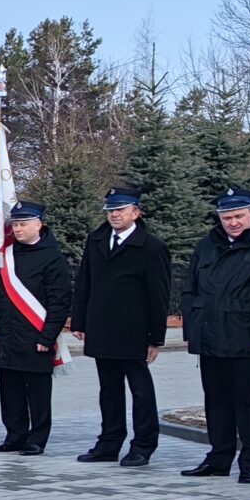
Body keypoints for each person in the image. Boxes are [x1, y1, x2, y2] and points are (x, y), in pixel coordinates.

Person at [178, 187, 250, 482]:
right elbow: (190, 289)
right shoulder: (207, 246)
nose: (233, 222)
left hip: (246, 339)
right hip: (210, 338)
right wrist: (193, 328)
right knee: (216, 402)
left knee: (247, 403)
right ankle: (219, 459)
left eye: (238, 216)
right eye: (227, 217)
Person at [71, 187, 171, 466]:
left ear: (136, 213)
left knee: (140, 390)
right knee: (109, 390)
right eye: (110, 210)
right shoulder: (97, 240)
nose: (114, 215)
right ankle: (109, 443)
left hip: (133, 329)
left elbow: (159, 295)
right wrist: (79, 320)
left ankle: (143, 445)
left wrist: (155, 337)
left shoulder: (151, 247)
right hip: (102, 326)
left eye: (120, 210)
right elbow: (85, 281)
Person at [0, 201, 72, 456]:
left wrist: (47, 336)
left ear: (38, 224)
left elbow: (59, 301)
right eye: (15, 224)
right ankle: (14, 435)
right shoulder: (6, 254)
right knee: (10, 391)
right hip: (8, 333)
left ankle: (37, 438)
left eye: (23, 224)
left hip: (35, 334)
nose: (18, 229)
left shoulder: (52, 257)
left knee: (38, 392)